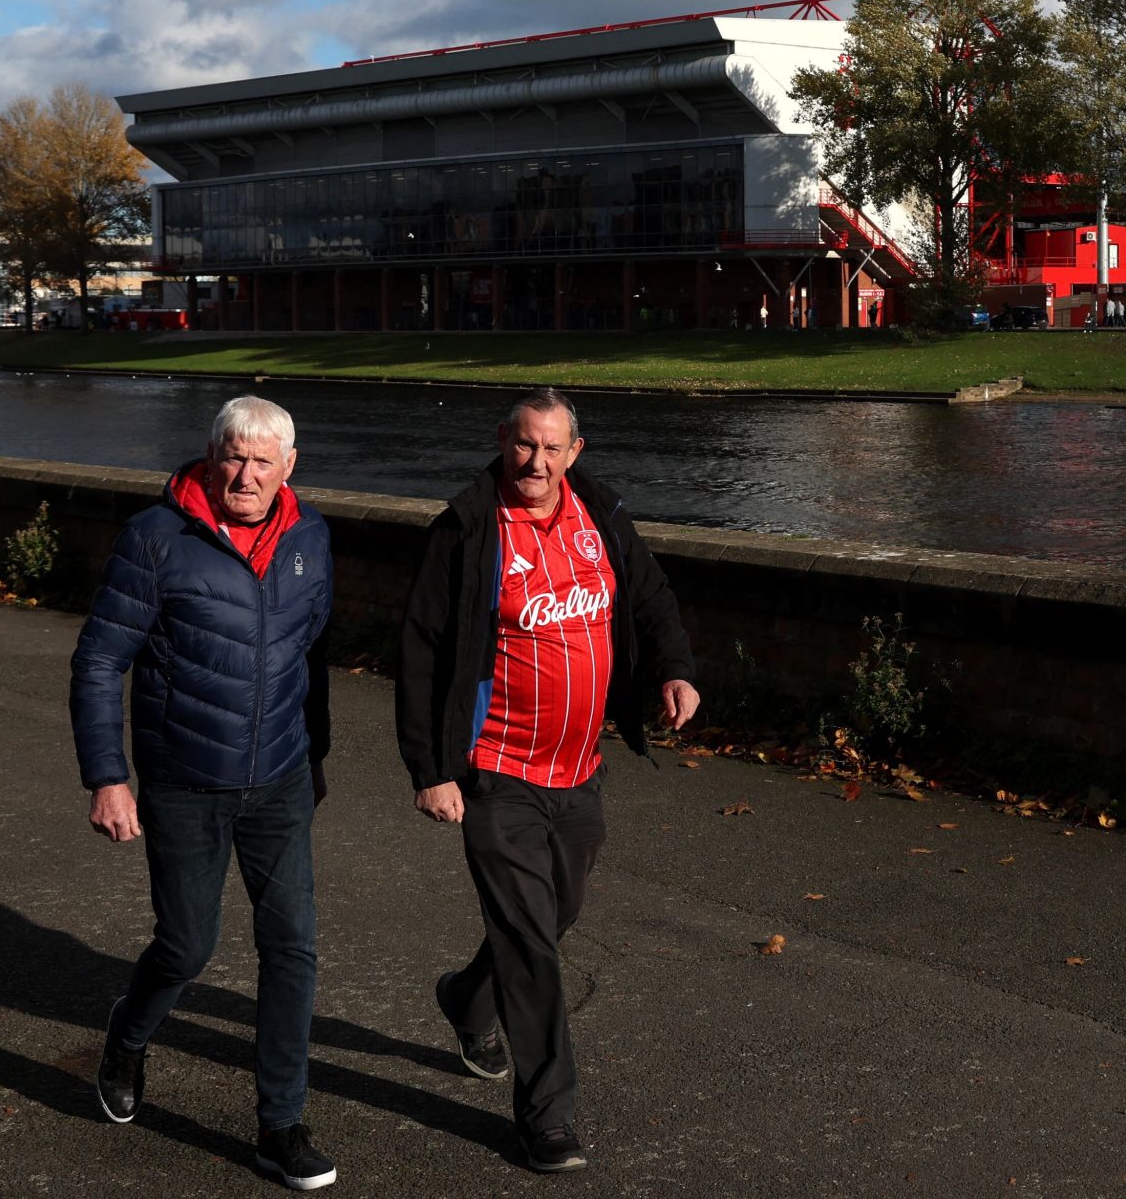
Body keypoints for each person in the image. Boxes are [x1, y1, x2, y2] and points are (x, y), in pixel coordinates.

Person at [396, 389, 698, 1176]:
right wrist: (432, 771)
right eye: (523, 446)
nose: (535, 462)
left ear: (576, 450)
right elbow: (421, 652)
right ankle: (547, 1115)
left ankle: (468, 998)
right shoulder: (468, 530)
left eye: (551, 448)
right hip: (497, 770)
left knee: (555, 915)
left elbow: (653, 596)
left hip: (579, 770)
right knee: (532, 945)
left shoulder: (599, 514)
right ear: (503, 441)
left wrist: (674, 670)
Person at [70, 395, 338, 1192]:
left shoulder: (310, 537)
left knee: (292, 948)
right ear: (211, 456)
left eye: (263, 461)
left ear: (289, 466)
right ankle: (129, 1034)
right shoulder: (158, 540)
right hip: (185, 781)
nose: (246, 475)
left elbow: (311, 655)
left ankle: (280, 1125)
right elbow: (97, 662)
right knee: (187, 946)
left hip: (281, 781)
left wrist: (314, 755)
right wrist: (107, 777)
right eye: (234, 457)